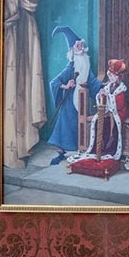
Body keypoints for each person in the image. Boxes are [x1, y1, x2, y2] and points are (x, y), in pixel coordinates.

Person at [47, 26, 100, 165]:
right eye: (77, 46)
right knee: (66, 125)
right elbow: (54, 82)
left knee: (79, 124)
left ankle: (81, 148)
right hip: (70, 101)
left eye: (81, 44)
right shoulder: (71, 66)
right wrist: (66, 86)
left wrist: (102, 86)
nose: (81, 47)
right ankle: (62, 150)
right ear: (73, 50)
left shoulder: (86, 63)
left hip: (83, 100)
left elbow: (92, 81)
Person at [76, 58, 129, 162]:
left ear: (119, 77)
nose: (111, 77)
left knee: (110, 126)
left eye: (114, 76)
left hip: (118, 113)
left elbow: (119, 105)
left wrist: (107, 96)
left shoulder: (121, 89)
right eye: (110, 75)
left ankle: (109, 150)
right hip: (108, 112)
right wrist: (100, 95)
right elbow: (103, 98)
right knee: (97, 122)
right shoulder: (109, 86)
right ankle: (99, 148)